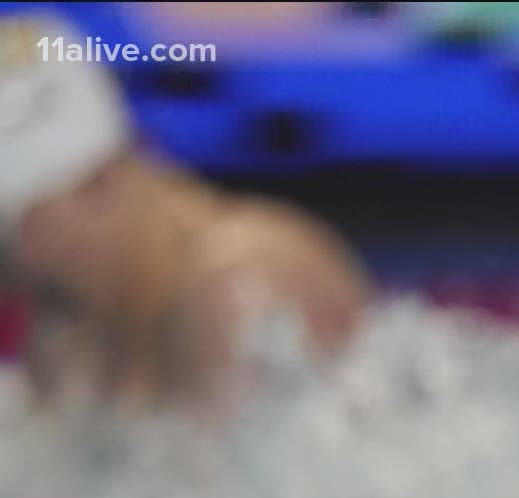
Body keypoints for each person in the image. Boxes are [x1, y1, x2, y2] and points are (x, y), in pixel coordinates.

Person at [0, 13, 369, 417]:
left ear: (95, 182)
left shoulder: (240, 297)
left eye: (9, 234)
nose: (12, 271)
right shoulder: (66, 324)